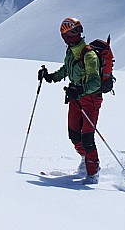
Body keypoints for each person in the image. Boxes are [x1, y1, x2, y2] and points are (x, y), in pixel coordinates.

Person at [38, 17, 103, 182]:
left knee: (87, 139)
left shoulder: (89, 54)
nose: (74, 34)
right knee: (74, 136)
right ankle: (85, 160)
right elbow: (67, 68)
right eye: (70, 32)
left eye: (75, 31)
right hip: (76, 98)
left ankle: (92, 174)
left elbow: (95, 82)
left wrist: (80, 89)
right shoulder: (71, 51)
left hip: (90, 99)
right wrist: (51, 76)